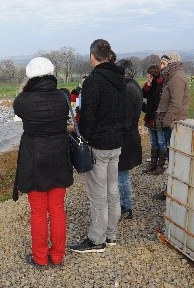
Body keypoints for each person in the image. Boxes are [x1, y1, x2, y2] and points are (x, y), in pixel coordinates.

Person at [13, 56, 74, 269]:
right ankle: (57, 257)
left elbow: (19, 110)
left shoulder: (22, 101)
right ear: (51, 73)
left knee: (38, 211)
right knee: (57, 208)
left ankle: (40, 258)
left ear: (30, 76)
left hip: (33, 158)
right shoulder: (63, 96)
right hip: (59, 155)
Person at [69, 39, 125, 253]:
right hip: (116, 142)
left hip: (99, 145)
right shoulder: (121, 79)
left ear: (92, 56)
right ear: (109, 55)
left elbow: (88, 116)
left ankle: (96, 239)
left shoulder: (93, 81)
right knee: (113, 191)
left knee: (98, 195)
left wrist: (83, 136)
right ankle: (111, 234)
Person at [150, 52, 189, 177]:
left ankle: (174, 189)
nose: (161, 67)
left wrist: (165, 122)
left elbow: (176, 105)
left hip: (172, 124)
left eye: (163, 63)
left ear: (172, 63)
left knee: (174, 159)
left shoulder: (176, 78)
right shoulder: (172, 77)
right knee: (172, 158)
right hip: (170, 123)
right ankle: (172, 188)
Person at [115, 59, 142, 220]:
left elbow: (125, 119)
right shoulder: (134, 85)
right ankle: (125, 204)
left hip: (125, 138)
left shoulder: (127, 90)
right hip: (131, 136)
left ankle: (125, 206)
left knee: (121, 175)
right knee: (122, 174)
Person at [142, 64, 164, 174]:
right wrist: (148, 84)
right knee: (153, 141)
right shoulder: (151, 85)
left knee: (161, 142)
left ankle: (160, 165)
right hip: (150, 116)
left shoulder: (161, 84)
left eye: (149, 74)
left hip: (158, 117)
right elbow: (143, 94)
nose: (147, 76)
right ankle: (153, 164)